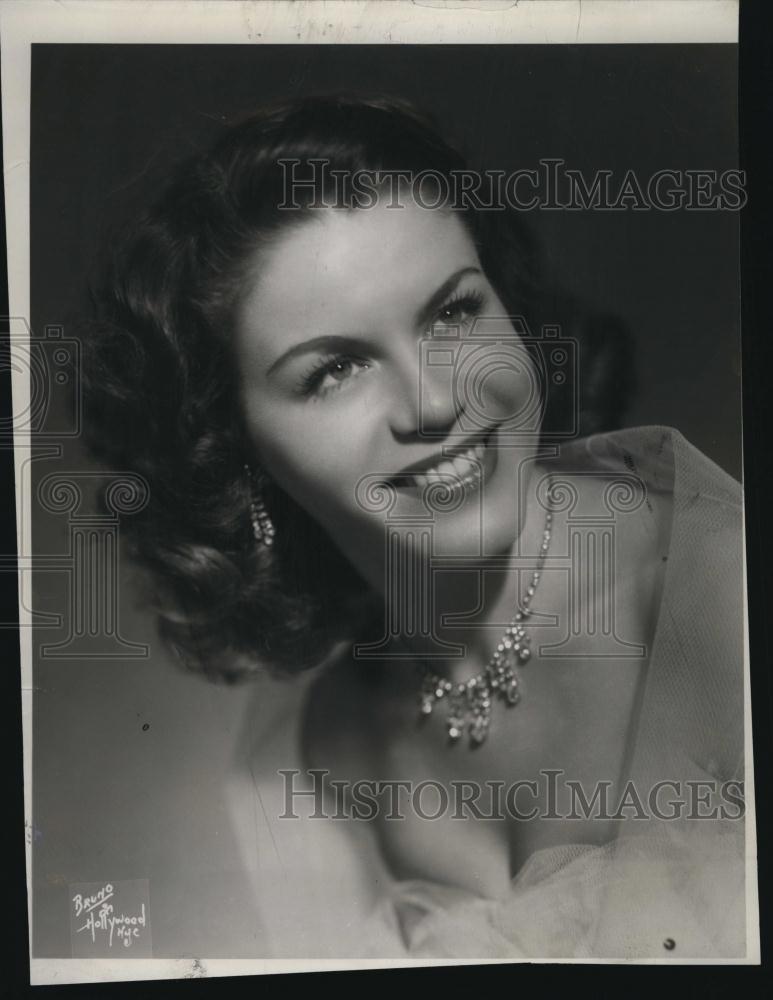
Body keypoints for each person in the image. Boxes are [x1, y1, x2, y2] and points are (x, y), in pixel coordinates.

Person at [81, 94, 747, 960]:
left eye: (454, 312)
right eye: (335, 371)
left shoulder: (720, 600)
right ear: (236, 451)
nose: (435, 401)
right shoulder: (320, 755)